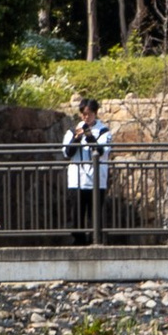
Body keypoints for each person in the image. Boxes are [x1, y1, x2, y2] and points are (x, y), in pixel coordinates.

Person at [62, 93, 112, 246]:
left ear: (95, 114)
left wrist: (89, 136)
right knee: (77, 213)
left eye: (89, 114)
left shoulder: (103, 131)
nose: (86, 118)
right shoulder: (72, 131)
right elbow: (67, 153)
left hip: (96, 180)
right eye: (83, 114)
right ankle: (78, 241)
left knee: (94, 214)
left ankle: (96, 241)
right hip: (77, 180)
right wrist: (77, 138)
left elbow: (102, 151)